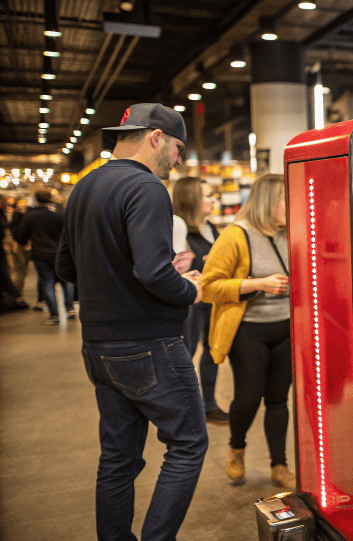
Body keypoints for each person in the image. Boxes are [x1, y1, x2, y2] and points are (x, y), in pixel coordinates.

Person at [56, 103, 208, 541]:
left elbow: (67, 267)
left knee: (118, 459)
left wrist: (116, 278)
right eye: (178, 148)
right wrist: (189, 290)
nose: (178, 159)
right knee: (188, 445)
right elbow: (153, 273)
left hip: (98, 347)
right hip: (149, 344)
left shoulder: (84, 188)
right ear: (155, 137)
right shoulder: (146, 188)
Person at [201, 174, 295, 490]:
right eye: (286, 198)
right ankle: (236, 447)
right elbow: (209, 286)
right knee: (248, 396)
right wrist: (257, 284)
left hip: (286, 329)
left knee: (279, 400)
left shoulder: (291, 232)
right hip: (248, 331)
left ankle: (279, 464)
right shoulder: (235, 236)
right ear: (269, 202)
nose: (291, 204)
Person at [172, 177, 229, 424]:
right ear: (192, 198)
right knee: (187, 352)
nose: (212, 200)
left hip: (212, 300)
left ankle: (209, 404)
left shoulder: (211, 228)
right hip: (189, 304)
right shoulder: (177, 230)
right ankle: (184, 408)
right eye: (207, 195)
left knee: (212, 352)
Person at [13, 185, 75, 324]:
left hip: (40, 255)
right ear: (50, 200)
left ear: (36, 200)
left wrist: (18, 216)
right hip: (60, 253)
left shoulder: (30, 217)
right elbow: (70, 234)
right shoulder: (59, 215)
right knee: (67, 281)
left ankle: (54, 315)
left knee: (47, 283)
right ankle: (70, 308)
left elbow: (20, 237)